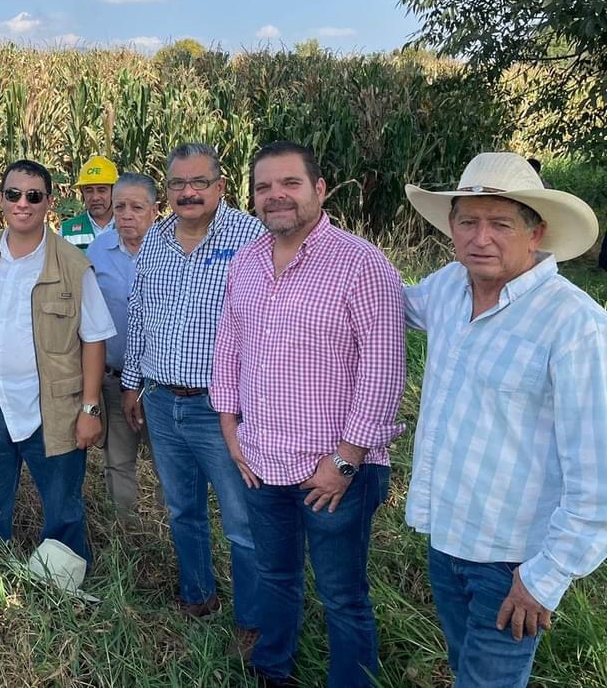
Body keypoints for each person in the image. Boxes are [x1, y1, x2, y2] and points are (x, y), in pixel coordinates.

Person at [403, 151, 607, 687]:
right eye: (468, 221)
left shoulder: (574, 324)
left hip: (513, 559)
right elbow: (389, 303)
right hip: (446, 536)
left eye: (501, 224)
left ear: (536, 233)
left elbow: (598, 471)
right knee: (463, 665)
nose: (481, 238)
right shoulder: (448, 286)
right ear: (451, 226)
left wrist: (547, 576)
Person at [212, 141, 406, 688]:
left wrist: (345, 461)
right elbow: (230, 344)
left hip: (336, 471)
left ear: (319, 190)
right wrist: (230, 425)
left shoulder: (360, 263)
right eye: (264, 187)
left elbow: (384, 368)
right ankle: (273, 670)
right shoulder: (246, 261)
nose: (276, 196)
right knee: (275, 575)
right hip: (262, 459)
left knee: (343, 594)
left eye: (290, 184)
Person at [0, 159, 115, 564]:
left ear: (49, 202)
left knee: (62, 506)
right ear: (1, 200)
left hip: (53, 407)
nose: (23, 204)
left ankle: (62, 585)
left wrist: (89, 408)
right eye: (13, 194)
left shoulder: (72, 264)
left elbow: (94, 339)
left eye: (34, 196)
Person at [121, 143, 264, 637]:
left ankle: (252, 623)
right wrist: (132, 384)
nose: (188, 192)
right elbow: (139, 313)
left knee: (242, 522)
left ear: (220, 187)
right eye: (178, 184)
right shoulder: (155, 240)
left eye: (199, 182)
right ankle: (198, 595)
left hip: (223, 407)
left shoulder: (251, 236)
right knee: (182, 508)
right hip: (161, 400)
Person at [85, 171, 163, 518]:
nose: (126, 215)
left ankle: (169, 532)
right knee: (118, 460)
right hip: (114, 377)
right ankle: (127, 533)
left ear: (155, 210)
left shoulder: (172, 250)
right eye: (120, 207)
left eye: (136, 207)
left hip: (162, 384)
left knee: (169, 464)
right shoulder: (98, 250)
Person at [60, 155, 118, 250]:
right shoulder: (67, 231)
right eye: (89, 190)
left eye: (101, 190)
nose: (95, 197)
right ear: (82, 192)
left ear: (114, 191)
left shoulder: (128, 227)